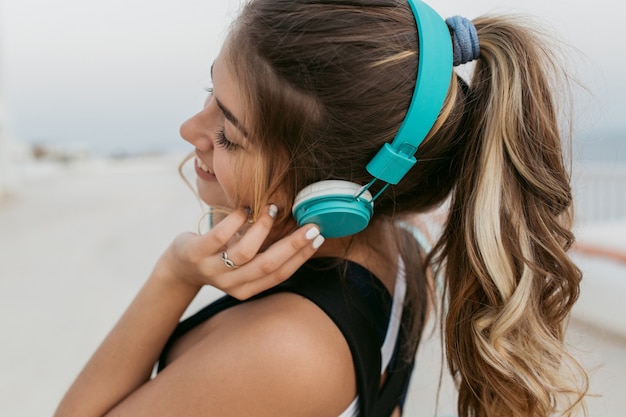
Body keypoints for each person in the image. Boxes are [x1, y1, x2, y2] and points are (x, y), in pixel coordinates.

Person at [54, 0, 589, 416]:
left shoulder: (286, 350)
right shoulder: (397, 248)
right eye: (210, 91)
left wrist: (173, 275)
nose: (190, 131)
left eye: (230, 135)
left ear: (330, 191)